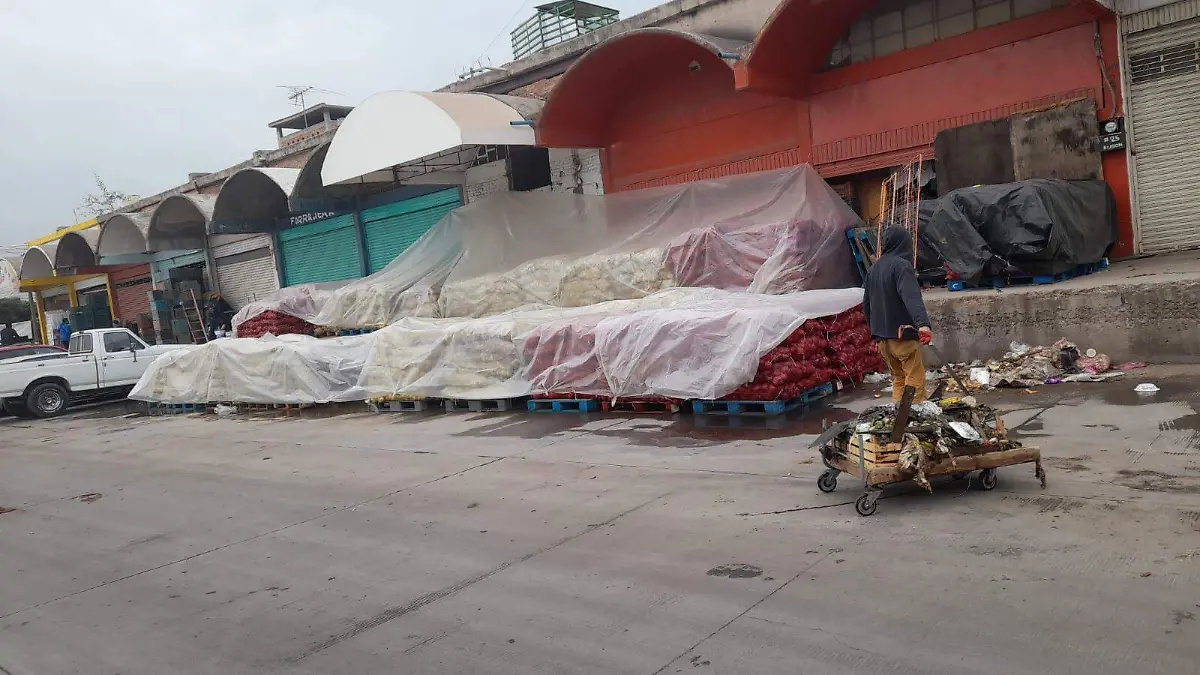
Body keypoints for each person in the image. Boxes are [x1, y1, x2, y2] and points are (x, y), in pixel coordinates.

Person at [863, 227, 933, 403]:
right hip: (903, 337)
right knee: (915, 380)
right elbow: (911, 297)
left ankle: (898, 415)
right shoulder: (902, 266)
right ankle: (912, 415)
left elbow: (867, 305)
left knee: (899, 379)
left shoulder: (874, 269)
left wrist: (874, 334)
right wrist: (923, 324)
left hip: (883, 340)